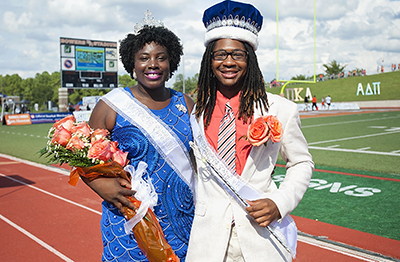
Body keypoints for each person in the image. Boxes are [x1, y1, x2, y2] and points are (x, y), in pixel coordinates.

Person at [187, 1, 314, 261]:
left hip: (261, 238)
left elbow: (301, 161)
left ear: (250, 59)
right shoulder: (195, 112)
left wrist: (280, 203)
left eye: (238, 54)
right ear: (209, 61)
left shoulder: (280, 108)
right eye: (220, 54)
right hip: (208, 241)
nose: (229, 62)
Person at [83, 12, 196, 262]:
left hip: (184, 222)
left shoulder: (185, 104)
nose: (152, 64)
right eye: (144, 58)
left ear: (171, 63)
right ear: (132, 64)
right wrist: (102, 186)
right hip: (130, 224)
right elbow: (83, 157)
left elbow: (198, 160)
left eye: (161, 58)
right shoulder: (111, 105)